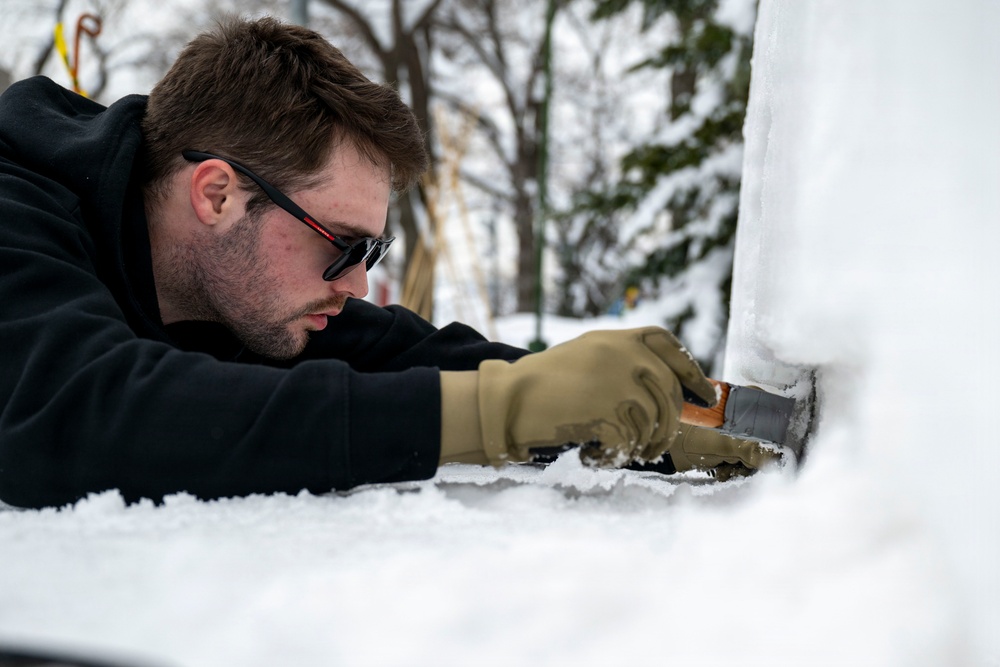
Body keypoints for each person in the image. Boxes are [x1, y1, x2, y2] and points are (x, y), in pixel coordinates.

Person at [0, 17, 776, 509]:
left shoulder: (236, 282)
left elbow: (393, 352)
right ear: (217, 195)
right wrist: (500, 412)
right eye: (340, 244)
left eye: (370, 251)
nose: (357, 283)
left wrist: (584, 402)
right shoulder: (17, 206)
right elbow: (79, 415)